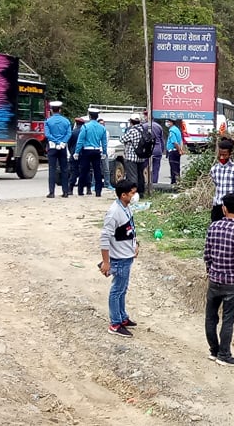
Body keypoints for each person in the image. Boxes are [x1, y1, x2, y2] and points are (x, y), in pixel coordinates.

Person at [204, 193, 234, 366]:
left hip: (214, 279)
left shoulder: (213, 227)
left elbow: (207, 254)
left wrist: (210, 271)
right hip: (232, 282)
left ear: (224, 208)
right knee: (228, 319)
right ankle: (224, 354)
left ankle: (214, 350)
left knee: (211, 317)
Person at [99, 179, 139, 338]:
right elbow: (104, 238)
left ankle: (122, 317)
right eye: (132, 193)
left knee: (122, 289)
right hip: (119, 258)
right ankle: (115, 323)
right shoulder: (114, 212)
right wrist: (106, 262)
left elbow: (129, 230)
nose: (134, 196)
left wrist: (135, 245)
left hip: (127, 255)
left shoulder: (125, 208)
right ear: (123, 195)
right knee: (117, 290)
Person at [209, 137, 234, 222]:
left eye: (224, 155)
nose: (222, 157)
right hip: (217, 207)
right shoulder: (214, 169)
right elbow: (215, 184)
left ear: (230, 154)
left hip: (231, 209)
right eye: (220, 154)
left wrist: (233, 203)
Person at [75, 107, 108, 197]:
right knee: (97, 171)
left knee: (84, 171)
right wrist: (104, 152)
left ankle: (81, 190)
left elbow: (80, 140)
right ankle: (98, 192)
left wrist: (76, 152)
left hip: (86, 151)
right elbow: (104, 142)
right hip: (97, 151)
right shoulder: (102, 128)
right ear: (97, 116)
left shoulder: (85, 126)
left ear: (89, 116)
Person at [44, 101, 71, 198]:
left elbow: (47, 135)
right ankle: (65, 192)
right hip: (63, 147)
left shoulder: (48, 121)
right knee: (64, 169)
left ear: (51, 110)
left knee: (52, 169)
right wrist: (62, 142)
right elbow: (68, 133)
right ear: (60, 110)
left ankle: (51, 192)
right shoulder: (66, 121)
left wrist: (56, 142)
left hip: (52, 147)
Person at [120, 113, 150, 198]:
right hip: (141, 157)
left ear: (131, 122)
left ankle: (133, 194)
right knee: (141, 176)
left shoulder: (132, 130)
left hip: (131, 157)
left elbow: (122, 139)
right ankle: (141, 193)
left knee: (132, 176)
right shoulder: (144, 129)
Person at [67, 117, 86, 195]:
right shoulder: (85, 132)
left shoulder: (72, 132)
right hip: (83, 154)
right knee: (85, 171)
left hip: (74, 153)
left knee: (73, 171)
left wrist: (72, 151)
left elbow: (69, 144)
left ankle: (70, 189)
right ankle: (86, 189)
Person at [146, 112, 165, 185]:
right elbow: (161, 140)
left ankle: (146, 184)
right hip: (157, 150)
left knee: (145, 168)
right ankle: (154, 184)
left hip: (147, 151)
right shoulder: (159, 127)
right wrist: (162, 150)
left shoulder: (144, 126)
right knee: (155, 169)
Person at [166, 118, 185, 186]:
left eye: (168, 122)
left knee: (173, 167)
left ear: (172, 123)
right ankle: (178, 181)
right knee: (177, 166)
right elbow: (181, 141)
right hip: (176, 151)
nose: (167, 123)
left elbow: (175, 142)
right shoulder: (177, 129)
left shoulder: (172, 131)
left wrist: (179, 150)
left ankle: (174, 182)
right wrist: (181, 149)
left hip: (173, 151)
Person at [97, 118, 113, 190]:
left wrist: (104, 151)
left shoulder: (106, 132)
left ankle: (107, 184)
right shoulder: (95, 131)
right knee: (96, 168)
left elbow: (106, 142)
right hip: (97, 151)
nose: (102, 125)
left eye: (103, 124)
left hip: (104, 151)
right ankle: (95, 184)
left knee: (106, 169)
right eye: (100, 124)